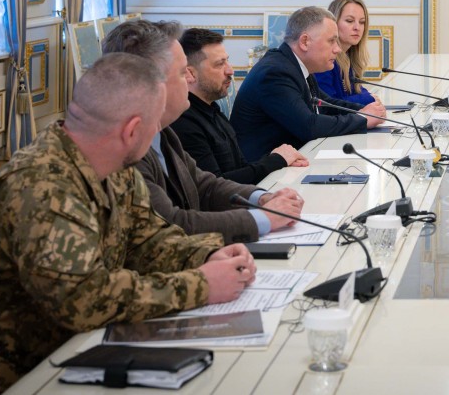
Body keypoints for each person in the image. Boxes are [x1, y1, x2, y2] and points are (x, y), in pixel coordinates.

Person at [0, 54, 258, 392]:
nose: (157, 134)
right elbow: (84, 299)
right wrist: (201, 285)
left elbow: (148, 239)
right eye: (155, 126)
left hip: (69, 354)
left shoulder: (113, 167)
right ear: (132, 131)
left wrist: (206, 255)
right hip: (5, 378)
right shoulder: (42, 187)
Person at [103, 20, 304, 244]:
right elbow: (171, 223)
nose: (189, 80)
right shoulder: (128, 148)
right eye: (182, 73)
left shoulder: (163, 132)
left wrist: (262, 198)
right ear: (151, 84)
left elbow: (204, 184)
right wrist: (263, 219)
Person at [232, 6, 386, 158]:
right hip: (265, 168)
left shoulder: (295, 64)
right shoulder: (275, 73)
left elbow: (326, 105)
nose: (337, 49)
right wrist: (362, 119)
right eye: (331, 41)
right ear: (305, 42)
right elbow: (309, 126)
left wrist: (365, 110)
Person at [171, 28, 310, 185]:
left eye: (227, 61)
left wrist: (278, 158)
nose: (230, 71)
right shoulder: (184, 122)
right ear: (190, 74)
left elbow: (240, 167)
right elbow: (214, 187)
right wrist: (276, 161)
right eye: (219, 64)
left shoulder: (212, 110)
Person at [314, 0, 379, 106]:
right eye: (349, 21)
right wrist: (369, 98)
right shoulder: (323, 59)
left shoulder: (349, 56)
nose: (357, 27)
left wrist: (369, 97)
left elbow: (357, 91)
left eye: (362, 22)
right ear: (333, 23)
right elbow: (329, 105)